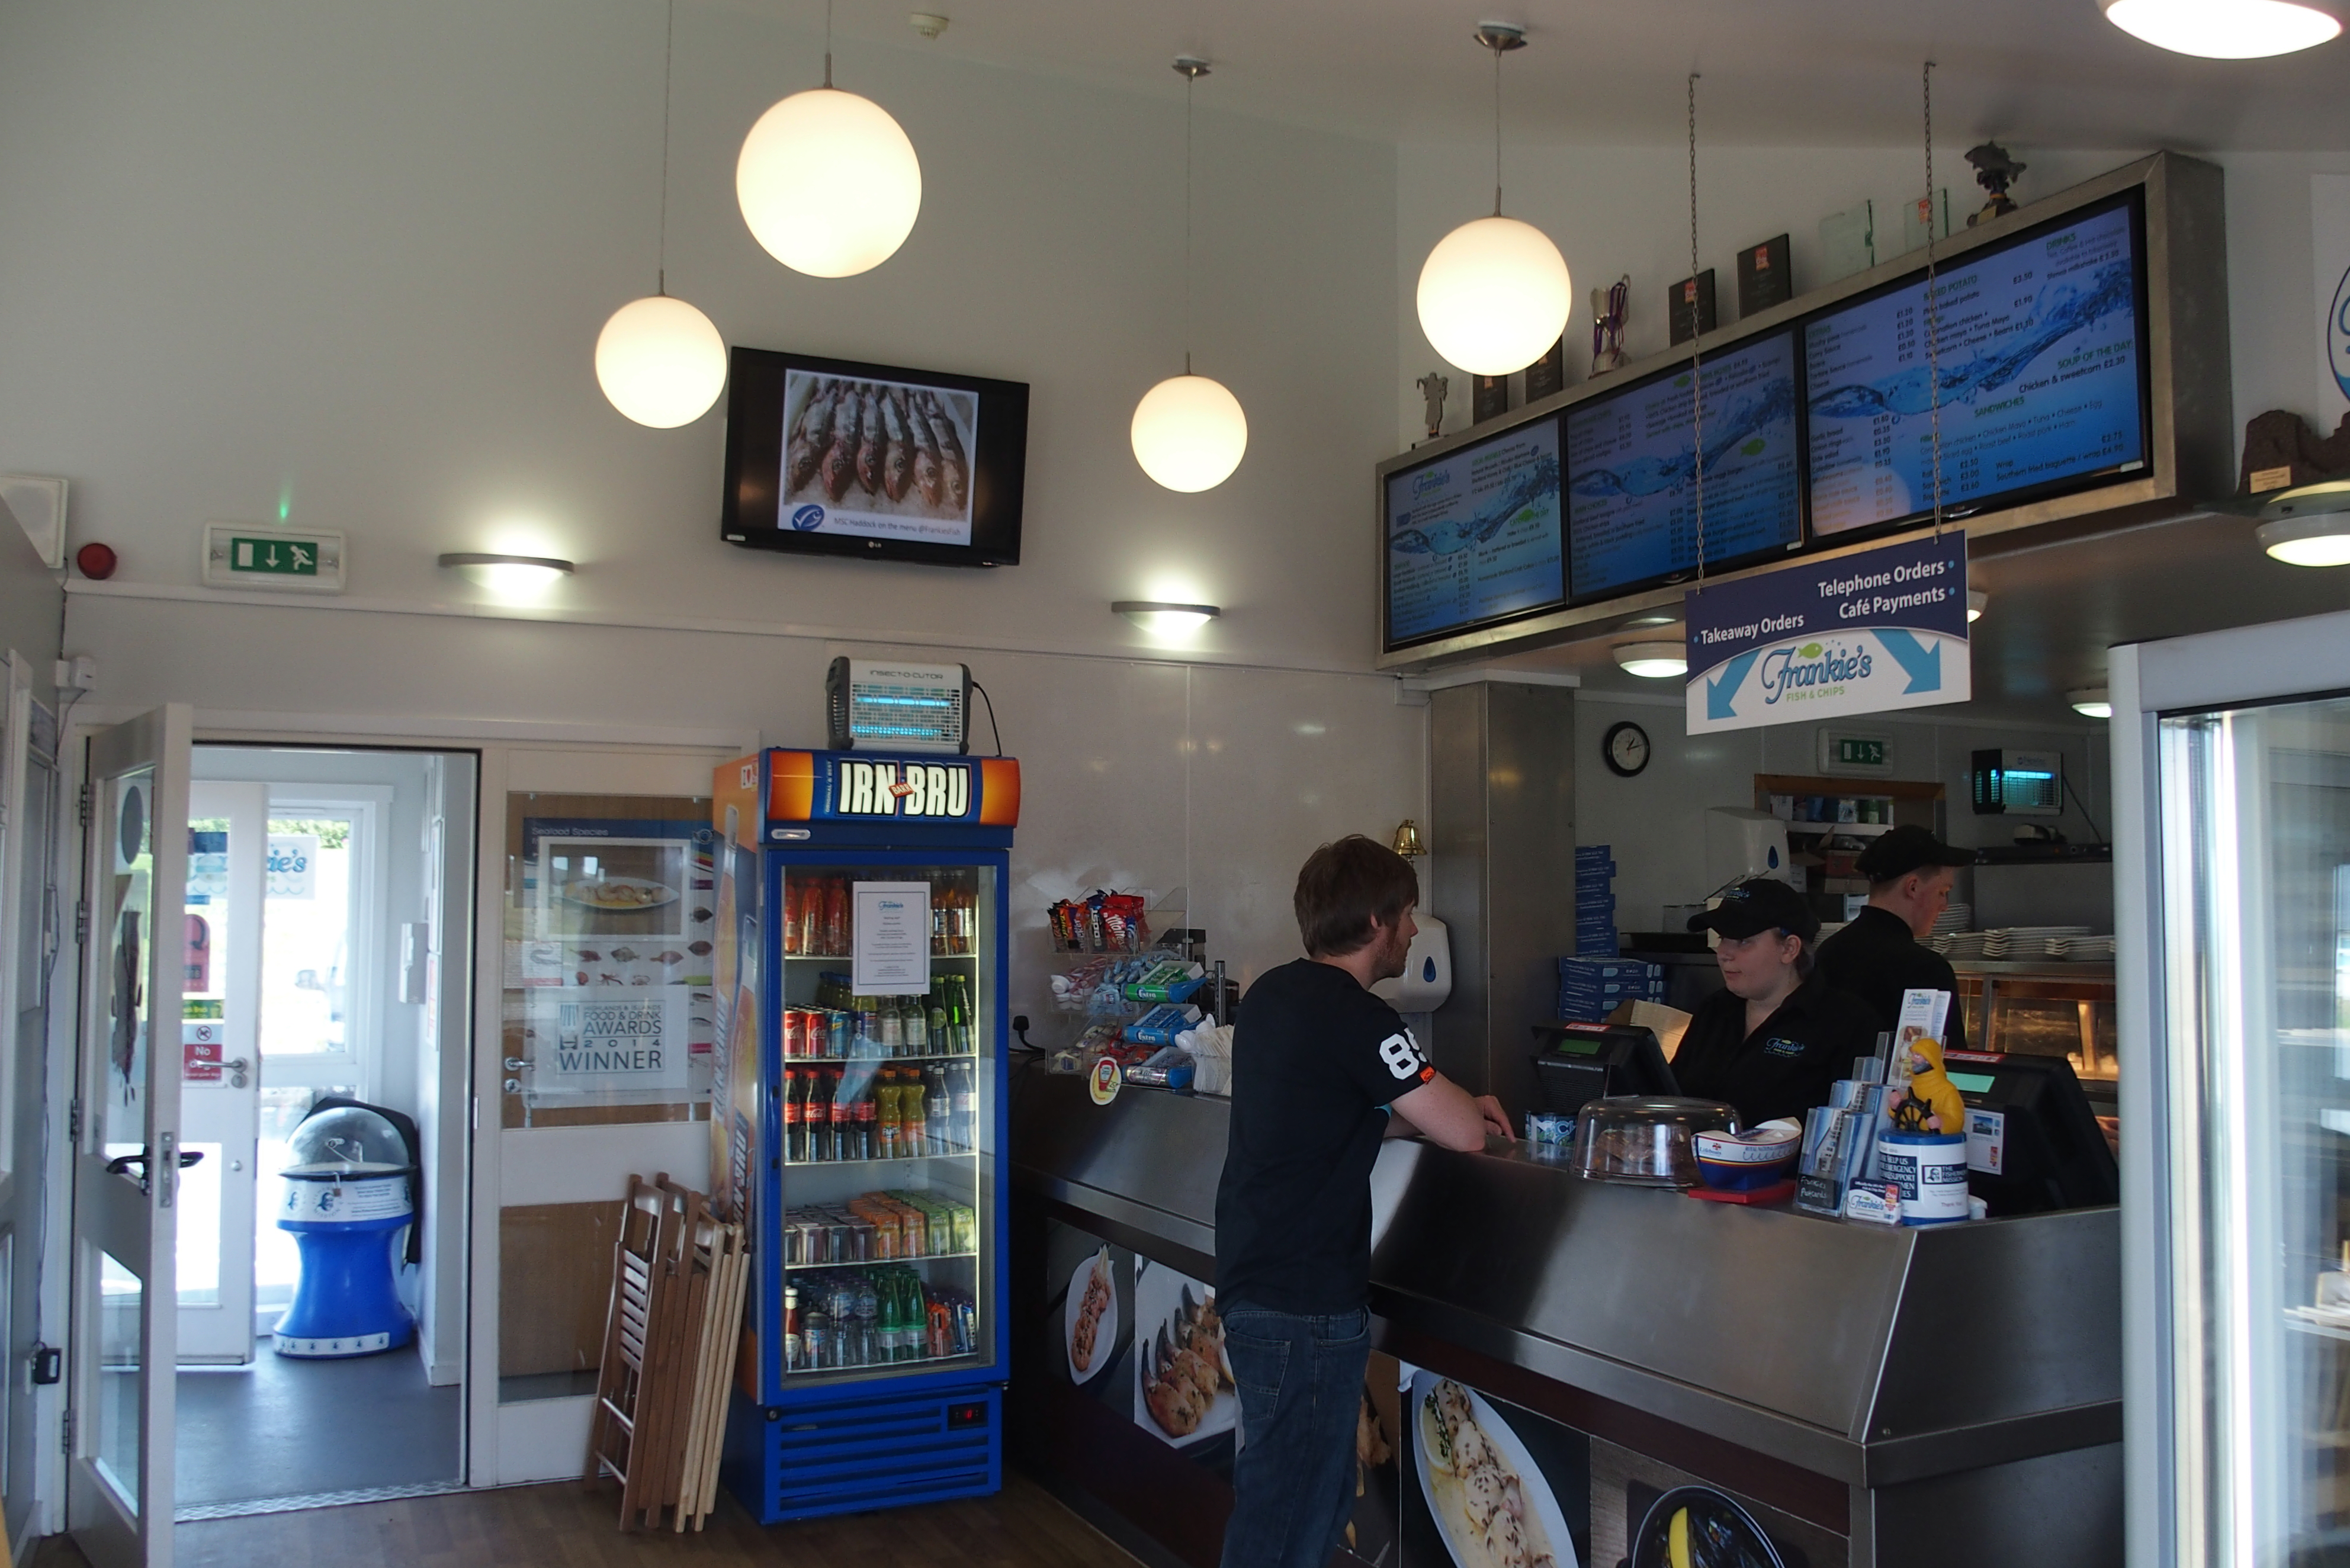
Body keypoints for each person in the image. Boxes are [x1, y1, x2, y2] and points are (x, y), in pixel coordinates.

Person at [1214, 835, 1512, 1568]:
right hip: (1306, 1300)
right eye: (1407, 914)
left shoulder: (1271, 994)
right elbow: (1464, 1133)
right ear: (1376, 920)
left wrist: (1433, 1108)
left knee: (1282, 1501)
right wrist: (1464, 1106)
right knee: (1294, 1517)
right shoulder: (1360, 1017)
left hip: (1254, 1280)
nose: (1412, 931)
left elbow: (1341, 1115)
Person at [1672, 878, 1880, 1127]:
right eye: (1722, 938)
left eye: (1743, 941)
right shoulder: (1715, 1010)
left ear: (1789, 949)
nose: (1724, 953)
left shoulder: (1848, 1024)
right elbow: (1673, 1095)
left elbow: (1850, 1131)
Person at [1813, 824, 1976, 1053]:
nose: (1945, 906)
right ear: (1913, 887)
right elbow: (1947, 1062)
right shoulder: (1924, 968)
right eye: (1942, 892)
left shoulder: (1828, 951)